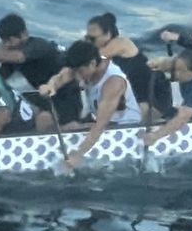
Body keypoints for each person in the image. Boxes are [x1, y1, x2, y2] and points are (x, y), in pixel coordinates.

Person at [38, 39, 141, 171]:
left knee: (71, 126)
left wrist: (78, 155)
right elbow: (61, 77)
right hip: (101, 120)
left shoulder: (113, 82)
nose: (76, 76)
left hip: (125, 128)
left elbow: (100, 126)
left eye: (79, 72)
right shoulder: (83, 66)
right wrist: (50, 86)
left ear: (92, 63)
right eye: (74, 71)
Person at [85, 13, 157, 120]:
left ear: (108, 34)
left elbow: (90, 57)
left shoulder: (122, 43)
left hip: (150, 98)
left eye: (91, 39)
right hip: (129, 96)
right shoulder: (106, 53)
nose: (88, 42)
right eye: (87, 38)